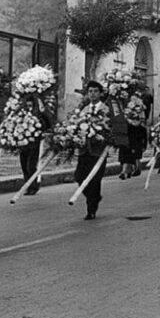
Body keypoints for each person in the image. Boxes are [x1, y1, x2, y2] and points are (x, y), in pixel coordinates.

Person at [74, 81, 111, 220]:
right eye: (90, 91)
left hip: (98, 151)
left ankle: (91, 209)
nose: (93, 94)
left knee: (95, 179)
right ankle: (94, 197)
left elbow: (110, 127)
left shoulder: (106, 109)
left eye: (95, 91)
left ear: (100, 93)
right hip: (84, 150)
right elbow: (77, 125)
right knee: (79, 176)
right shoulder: (83, 110)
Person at [19, 95, 54, 195]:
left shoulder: (39, 113)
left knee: (31, 165)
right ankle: (27, 185)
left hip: (34, 142)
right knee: (24, 164)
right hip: (23, 142)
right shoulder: (22, 113)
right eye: (27, 105)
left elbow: (47, 123)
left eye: (31, 105)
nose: (29, 107)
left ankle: (33, 185)